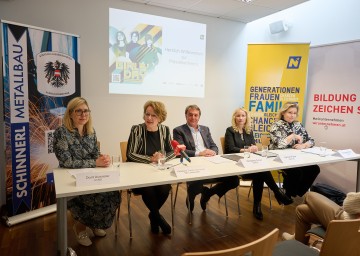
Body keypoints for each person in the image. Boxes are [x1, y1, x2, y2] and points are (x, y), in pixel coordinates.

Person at [53, 97, 121, 247]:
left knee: (112, 193)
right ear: (70, 114)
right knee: (89, 196)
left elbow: (95, 153)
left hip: (89, 175)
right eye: (79, 111)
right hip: (70, 178)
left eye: (86, 111)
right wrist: (94, 162)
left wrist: (102, 158)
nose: (83, 115)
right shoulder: (61, 132)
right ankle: (80, 228)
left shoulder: (91, 131)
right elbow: (67, 162)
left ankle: (94, 223)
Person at [224, 108, 293, 220]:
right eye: (238, 116)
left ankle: (258, 206)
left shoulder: (249, 131)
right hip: (236, 164)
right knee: (260, 173)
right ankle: (276, 194)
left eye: (243, 115)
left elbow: (253, 146)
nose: (241, 118)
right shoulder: (230, 130)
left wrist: (255, 147)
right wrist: (246, 150)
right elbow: (230, 149)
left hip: (250, 163)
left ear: (246, 118)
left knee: (260, 173)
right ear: (234, 118)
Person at [173, 104, 239, 212]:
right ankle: (191, 195)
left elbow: (213, 145)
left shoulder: (205, 129)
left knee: (234, 180)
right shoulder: (179, 130)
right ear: (186, 116)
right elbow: (181, 151)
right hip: (192, 165)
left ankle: (208, 193)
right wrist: (200, 153)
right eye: (190, 115)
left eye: (196, 115)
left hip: (210, 163)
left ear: (199, 116)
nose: (193, 117)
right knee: (197, 182)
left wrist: (213, 152)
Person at [126, 100, 175, 235]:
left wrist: (162, 158)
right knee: (148, 189)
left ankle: (154, 216)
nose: (149, 118)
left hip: (157, 172)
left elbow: (172, 152)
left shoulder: (165, 130)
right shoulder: (137, 129)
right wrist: (150, 159)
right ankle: (157, 217)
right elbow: (130, 154)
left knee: (165, 189)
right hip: (138, 173)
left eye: (153, 115)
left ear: (160, 117)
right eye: (147, 114)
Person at [269, 102, 320, 198]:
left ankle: (297, 192)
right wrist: (292, 136)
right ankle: (289, 194)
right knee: (296, 172)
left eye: (294, 113)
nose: (292, 115)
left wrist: (304, 145)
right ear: (283, 113)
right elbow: (279, 144)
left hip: (296, 157)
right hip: (279, 158)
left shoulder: (298, 125)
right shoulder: (276, 125)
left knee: (314, 168)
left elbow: (311, 141)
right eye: (289, 112)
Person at [282, 191, 360, 243]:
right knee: (301, 210)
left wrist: (351, 194)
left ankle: (296, 238)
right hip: (353, 227)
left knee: (309, 195)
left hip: (344, 222)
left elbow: (347, 204)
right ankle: (297, 243)